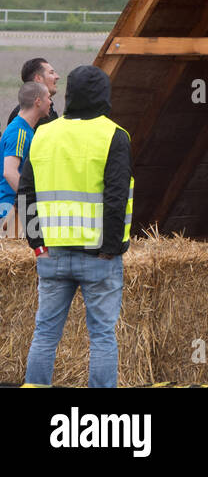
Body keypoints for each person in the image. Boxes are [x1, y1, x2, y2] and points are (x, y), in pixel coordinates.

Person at [17, 66, 133, 388]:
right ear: (105, 96)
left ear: (69, 95)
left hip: (51, 255)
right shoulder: (114, 135)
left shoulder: (44, 133)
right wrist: (110, 248)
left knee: (44, 335)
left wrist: (36, 244)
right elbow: (116, 197)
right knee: (101, 338)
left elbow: (27, 191)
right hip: (99, 258)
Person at [2, 82, 51, 234]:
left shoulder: (26, 130)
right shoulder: (19, 132)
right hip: (10, 211)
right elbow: (9, 172)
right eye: (48, 98)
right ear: (38, 101)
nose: (50, 102)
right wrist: (31, 202)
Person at [7, 58, 59, 126]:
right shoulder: (22, 117)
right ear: (38, 78)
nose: (57, 76)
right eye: (51, 73)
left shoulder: (48, 108)